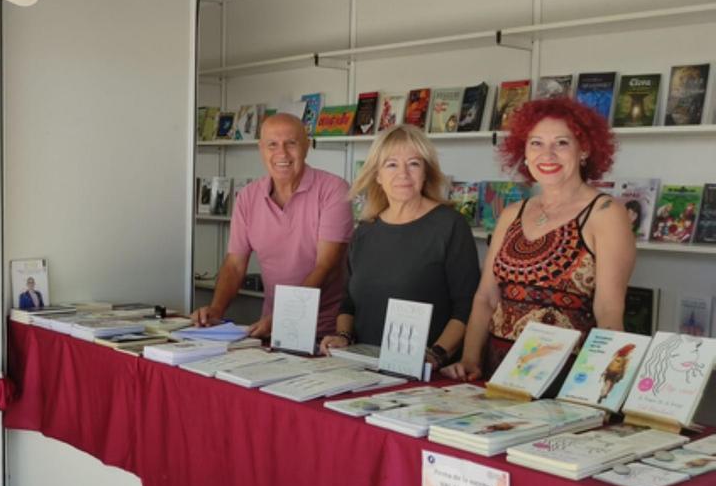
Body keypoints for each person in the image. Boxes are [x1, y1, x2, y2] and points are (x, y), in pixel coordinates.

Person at [445, 97, 636, 381]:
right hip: (495, 372)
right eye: (536, 143)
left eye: (561, 142)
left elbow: (608, 310)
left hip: (565, 378)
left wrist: (600, 389)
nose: (547, 154)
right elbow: (486, 297)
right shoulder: (512, 214)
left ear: (584, 149)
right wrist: (470, 359)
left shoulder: (606, 213)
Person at [319, 126, 479, 367]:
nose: (403, 173)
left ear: (426, 172)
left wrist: (437, 354)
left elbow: (466, 306)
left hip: (423, 372)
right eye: (391, 164)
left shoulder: (450, 226)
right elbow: (348, 302)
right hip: (363, 366)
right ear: (377, 175)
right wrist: (342, 336)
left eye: (414, 163)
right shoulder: (364, 231)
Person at [191, 113, 353, 338]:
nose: (282, 153)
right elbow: (235, 265)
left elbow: (325, 266)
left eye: (291, 143)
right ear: (261, 149)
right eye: (272, 145)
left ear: (307, 146)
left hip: (326, 332)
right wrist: (216, 310)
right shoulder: (247, 196)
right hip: (270, 327)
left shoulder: (334, 190)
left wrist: (284, 317)